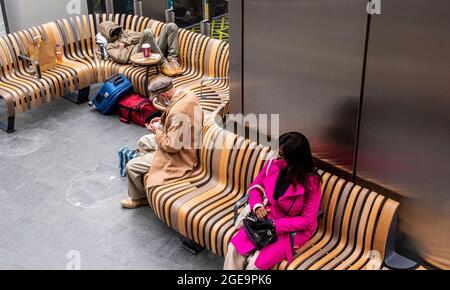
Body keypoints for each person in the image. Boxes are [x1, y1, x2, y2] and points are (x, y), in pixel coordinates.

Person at [224, 132, 322, 270]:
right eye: (279, 152)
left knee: (255, 265)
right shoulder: (273, 164)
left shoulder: (311, 182)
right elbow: (255, 187)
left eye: (282, 155)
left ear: (295, 159)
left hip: (291, 230)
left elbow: (308, 220)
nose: (277, 156)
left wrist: (276, 225)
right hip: (266, 218)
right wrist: (257, 206)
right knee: (234, 249)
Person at [121, 76, 203, 209]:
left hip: (181, 156)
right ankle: (150, 162)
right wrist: (163, 121)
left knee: (131, 166)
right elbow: (179, 123)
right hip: (188, 140)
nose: (157, 101)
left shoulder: (178, 111)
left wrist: (157, 132)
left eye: (158, 99)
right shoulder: (188, 94)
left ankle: (139, 198)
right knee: (144, 141)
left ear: (164, 95)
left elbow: (171, 147)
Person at [97, 21, 183, 77]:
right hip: (142, 56)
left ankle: (173, 60)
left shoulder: (125, 33)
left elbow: (143, 35)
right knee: (147, 32)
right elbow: (123, 58)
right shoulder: (110, 46)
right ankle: (163, 63)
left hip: (154, 49)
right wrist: (133, 44)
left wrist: (125, 42)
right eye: (112, 32)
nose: (116, 33)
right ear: (106, 34)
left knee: (171, 26)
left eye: (116, 30)